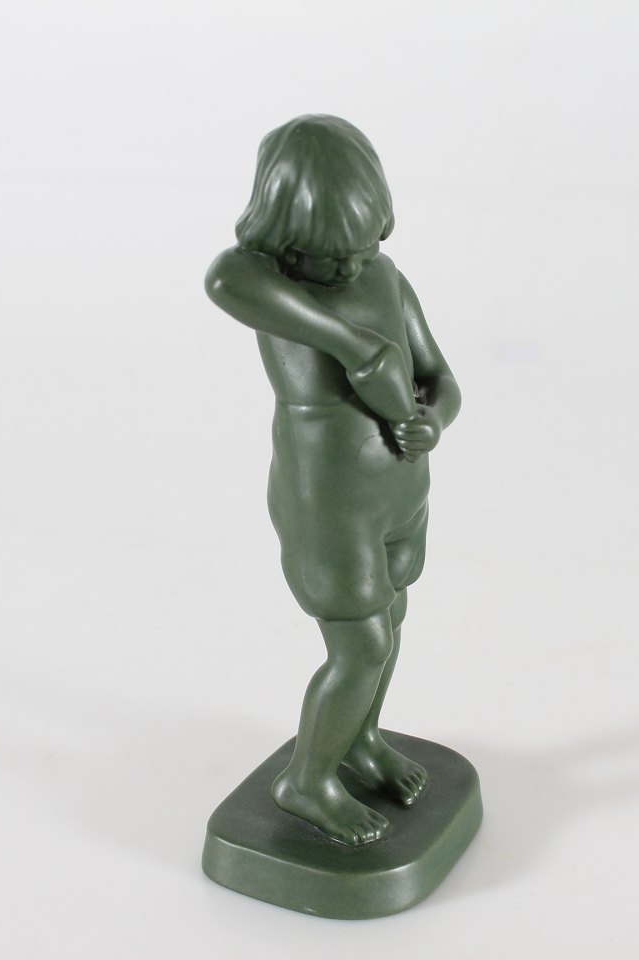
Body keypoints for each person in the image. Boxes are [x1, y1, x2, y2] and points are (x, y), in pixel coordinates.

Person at [205, 115, 461, 846]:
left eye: (364, 249)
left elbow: (440, 377)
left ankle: (361, 741)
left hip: (401, 493)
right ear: (283, 241)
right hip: (330, 506)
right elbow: (223, 275)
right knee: (361, 645)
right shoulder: (264, 286)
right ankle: (307, 780)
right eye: (327, 259)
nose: (350, 270)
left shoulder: (385, 277)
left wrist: (433, 420)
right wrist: (356, 348)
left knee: (392, 618)